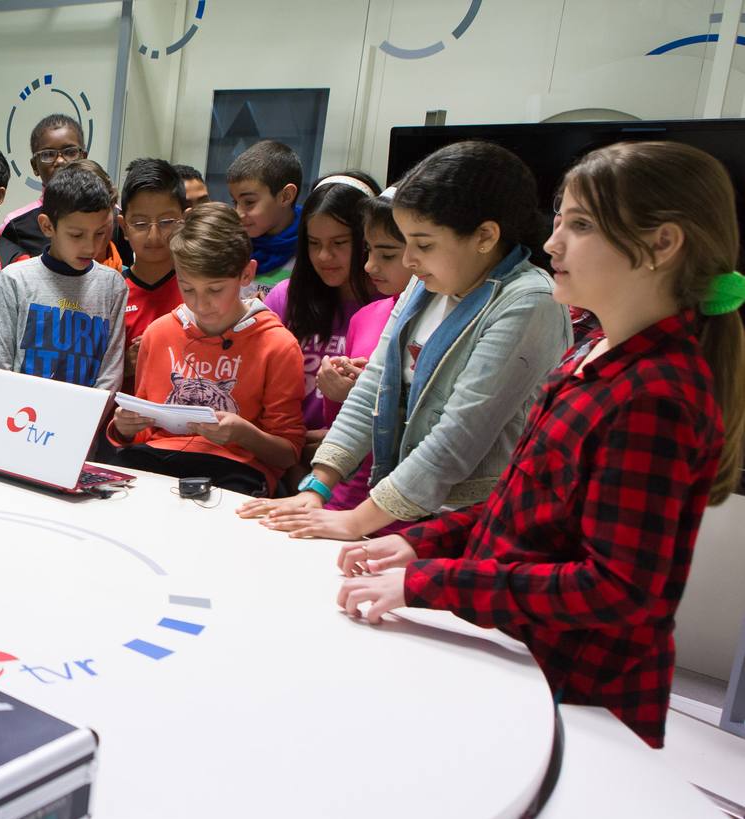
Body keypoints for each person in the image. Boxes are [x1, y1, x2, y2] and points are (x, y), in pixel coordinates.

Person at [334, 141, 745, 749]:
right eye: (558, 222)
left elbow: (613, 590)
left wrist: (430, 583)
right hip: (522, 661)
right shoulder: (591, 353)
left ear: (662, 245)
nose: (552, 244)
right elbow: (527, 509)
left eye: (579, 226)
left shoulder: (656, 395)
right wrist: (417, 542)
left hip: (580, 701)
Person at [239, 141, 570, 538]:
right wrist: (318, 486)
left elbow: (458, 436)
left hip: (473, 521)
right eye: (407, 243)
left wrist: (355, 521)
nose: (410, 261)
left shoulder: (528, 301)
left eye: (424, 244)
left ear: (485, 236)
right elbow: (373, 389)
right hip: (407, 506)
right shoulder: (426, 283)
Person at [106, 202, 305, 496]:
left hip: (237, 471)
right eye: (187, 289)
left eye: (215, 290)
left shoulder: (277, 345)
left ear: (246, 275)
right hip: (155, 459)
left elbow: (287, 454)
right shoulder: (159, 333)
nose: (201, 304)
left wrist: (242, 433)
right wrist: (124, 426)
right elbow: (142, 434)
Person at [261, 172, 384, 460]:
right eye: (314, 243)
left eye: (339, 243)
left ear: (366, 240)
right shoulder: (285, 297)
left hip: (357, 457)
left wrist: (340, 436)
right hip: (281, 451)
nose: (324, 257)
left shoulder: (389, 303)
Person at [0, 161, 127, 390]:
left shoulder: (112, 286)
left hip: (86, 422)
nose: (90, 247)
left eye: (100, 233)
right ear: (47, 226)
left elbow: (110, 374)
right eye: (76, 235)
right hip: (20, 417)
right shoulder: (15, 279)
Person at [312, 187, 409, 511]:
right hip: (345, 492)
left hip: (402, 505)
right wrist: (335, 392)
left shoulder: (448, 322)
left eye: (387, 254)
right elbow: (340, 422)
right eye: (368, 251)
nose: (369, 266)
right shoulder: (366, 317)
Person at [118, 159, 189, 392]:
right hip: (121, 423)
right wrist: (125, 366)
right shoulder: (112, 292)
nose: (154, 235)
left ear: (185, 220)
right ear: (124, 227)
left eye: (167, 221)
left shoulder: (200, 290)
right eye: (140, 223)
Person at [0, 114, 88, 260]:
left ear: (83, 157)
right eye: (48, 154)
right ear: (35, 166)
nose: (60, 161)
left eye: (70, 152)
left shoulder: (110, 216)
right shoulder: (16, 225)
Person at [225, 140, 302, 296]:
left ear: (286, 196)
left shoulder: (309, 251)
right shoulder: (231, 245)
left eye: (249, 202)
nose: (238, 213)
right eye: (235, 202)